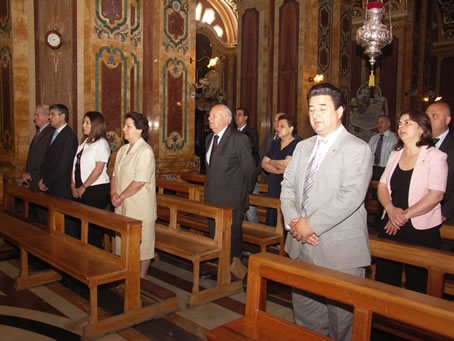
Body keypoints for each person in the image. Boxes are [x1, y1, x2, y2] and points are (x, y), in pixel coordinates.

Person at [281, 83, 372, 341]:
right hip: (300, 245)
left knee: (342, 324)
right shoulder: (303, 147)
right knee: (306, 319)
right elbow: (288, 187)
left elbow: (350, 196)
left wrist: (310, 225)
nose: (316, 115)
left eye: (323, 108)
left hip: (338, 251)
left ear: (340, 111)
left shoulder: (357, 148)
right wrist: (294, 224)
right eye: (311, 109)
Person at [375, 111, 448, 293]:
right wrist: (391, 209)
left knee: (418, 286)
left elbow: (436, 195)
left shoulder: (435, 157)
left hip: (420, 228)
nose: (401, 127)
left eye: (407, 123)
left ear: (422, 129)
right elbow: (382, 187)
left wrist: (403, 215)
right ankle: (382, 319)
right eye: (400, 123)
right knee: (385, 281)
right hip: (391, 223)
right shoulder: (396, 154)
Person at [205, 104, 256, 280]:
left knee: (232, 238)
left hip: (232, 200)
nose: (209, 118)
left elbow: (249, 169)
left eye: (213, 115)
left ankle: (234, 272)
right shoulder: (210, 138)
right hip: (212, 198)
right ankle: (220, 269)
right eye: (210, 115)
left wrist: (243, 191)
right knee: (215, 236)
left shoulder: (238, 139)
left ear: (226, 119)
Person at [111, 112, 156, 279]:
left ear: (139, 130)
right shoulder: (122, 149)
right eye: (125, 125)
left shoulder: (145, 151)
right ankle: (126, 274)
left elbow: (139, 181)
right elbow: (114, 174)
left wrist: (120, 196)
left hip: (139, 206)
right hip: (122, 203)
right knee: (124, 243)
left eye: (128, 126)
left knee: (142, 246)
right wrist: (113, 194)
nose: (124, 129)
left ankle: (141, 278)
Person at [71, 111, 111, 248]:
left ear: (96, 125)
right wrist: (73, 185)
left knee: (92, 226)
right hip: (80, 187)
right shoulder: (84, 142)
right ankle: (82, 252)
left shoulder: (101, 143)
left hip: (95, 189)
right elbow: (75, 165)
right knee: (79, 223)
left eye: (87, 122)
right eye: (84, 122)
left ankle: (94, 253)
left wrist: (83, 187)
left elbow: (98, 169)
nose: (83, 125)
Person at [261, 115, 300, 226]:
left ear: (291, 129)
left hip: (287, 187)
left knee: (284, 218)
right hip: (273, 183)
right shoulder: (275, 143)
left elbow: (287, 164)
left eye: (282, 126)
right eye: (278, 126)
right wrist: (277, 170)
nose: (278, 128)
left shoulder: (296, 144)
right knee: (272, 218)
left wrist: (272, 162)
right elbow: (264, 163)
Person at [38, 104, 78, 200]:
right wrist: (42, 178)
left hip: (60, 187)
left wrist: (46, 181)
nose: (49, 117)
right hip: (50, 185)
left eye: (52, 114)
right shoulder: (52, 133)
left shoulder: (69, 136)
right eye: (49, 114)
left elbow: (63, 165)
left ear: (62, 116)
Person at [425, 102, 454, 225]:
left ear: (447, 120)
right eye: (427, 117)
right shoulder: (418, 143)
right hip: (419, 212)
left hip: (446, 214)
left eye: (435, 116)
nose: (429, 120)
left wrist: (444, 214)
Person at [235, 107, 260, 223]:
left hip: (247, 175)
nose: (236, 117)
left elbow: (252, 152)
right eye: (235, 115)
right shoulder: (232, 132)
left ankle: (257, 230)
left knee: (250, 212)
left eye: (239, 114)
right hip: (235, 176)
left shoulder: (251, 132)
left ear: (246, 117)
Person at [22, 105, 54, 191]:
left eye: (37, 115)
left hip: (40, 179)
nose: (34, 118)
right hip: (33, 180)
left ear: (47, 116)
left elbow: (45, 159)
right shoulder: (39, 132)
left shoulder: (50, 133)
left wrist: (33, 174)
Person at [368, 114, 398, 181]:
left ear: (388, 124)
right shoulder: (373, 139)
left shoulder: (394, 138)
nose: (379, 124)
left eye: (382, 122)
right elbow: (368, 154)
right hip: (373, 169)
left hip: (386, 169)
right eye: (378, 122)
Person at [258, 112, 285, 185]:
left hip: (282, 181)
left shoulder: (295, 141)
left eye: (278, 121)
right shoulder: (269, 137)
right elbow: (261, 157)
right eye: (275, 121)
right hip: (267, 179)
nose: (276, 123)